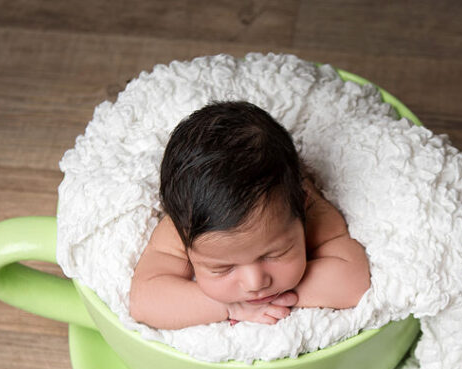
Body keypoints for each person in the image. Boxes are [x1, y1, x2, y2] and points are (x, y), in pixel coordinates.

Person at [128, 101, 370, 329]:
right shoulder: (186, 226)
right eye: (223, 269)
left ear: (302, 206)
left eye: (274, 255)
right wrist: (228, 306)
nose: (255, 284)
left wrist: (283, 298)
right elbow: (144, 300)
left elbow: (353, 280)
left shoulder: (307, 210)